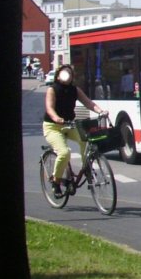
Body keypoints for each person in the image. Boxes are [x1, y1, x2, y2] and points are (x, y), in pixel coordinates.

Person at [43, 64, 104, 199]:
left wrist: (100, 111)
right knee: (64, 153)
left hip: (70, 124)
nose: (68, 76)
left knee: (86, 140)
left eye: (70, 74)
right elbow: (49, 108)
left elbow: (88, 103)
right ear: (58, 76)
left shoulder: (75, 90)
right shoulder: (52, 89)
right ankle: (56, 182)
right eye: (65, 73)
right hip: (53, 126)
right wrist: (56, 118)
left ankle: (86, 168)